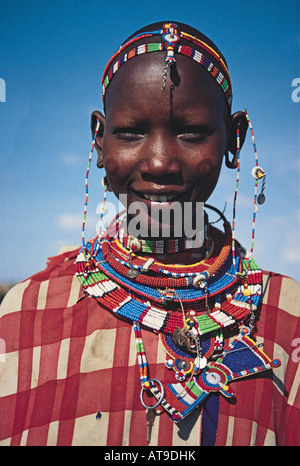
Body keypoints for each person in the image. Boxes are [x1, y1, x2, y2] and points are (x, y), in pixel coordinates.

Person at [0, 21, 299, 447]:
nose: (160, 163)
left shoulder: (287, 318)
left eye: (191, 132)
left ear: (235, 139)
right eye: (131, 133)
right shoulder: (25, 316)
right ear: (100, 142)